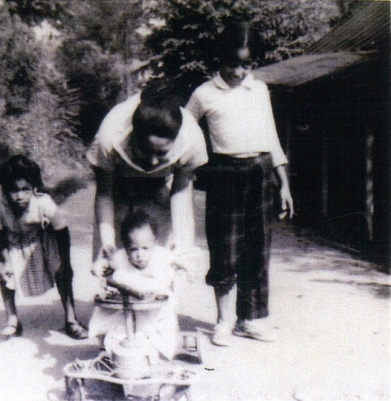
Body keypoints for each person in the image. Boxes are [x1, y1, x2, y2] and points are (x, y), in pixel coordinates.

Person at [185, 21, 294, 346]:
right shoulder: (204, 94)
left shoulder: (258, 89)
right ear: (220, 59)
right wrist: (188, 170)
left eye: (246, 65)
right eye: (233, 63)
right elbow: (185, 133)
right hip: (224, 175)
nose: (238, 71)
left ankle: (251, 320)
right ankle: (224, 320)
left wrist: (283, 182)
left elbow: (271, 136)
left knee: (258, 250)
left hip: (260, 173)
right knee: (225, 249)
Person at [87, 81, 209, 265]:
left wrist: (182, 245)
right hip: (119, 189)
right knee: (115, 266)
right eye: (145, 151)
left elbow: (181, 191)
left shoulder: (192, 140)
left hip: (160, 189)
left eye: (161, 153)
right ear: (134, 138)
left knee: (161, 262)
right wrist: (108, 243)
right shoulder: (110, 136)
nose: (153, 161)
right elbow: (104, 194)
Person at [0, 155, 88, 343]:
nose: (19, 196)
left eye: (25, 190)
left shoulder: (43, 201)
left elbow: (61, 230)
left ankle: (72, 320)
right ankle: (12, 321)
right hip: (13, 239)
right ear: (4, 189)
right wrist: (3, 258)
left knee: (62, 272)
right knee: (5, 274)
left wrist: (66, 262)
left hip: (41, 238)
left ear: (34, 188)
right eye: (13, 191)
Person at [88, 210, 181, 361]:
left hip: (153, 303)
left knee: (160, 327)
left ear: (155, 244)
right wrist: (98, 265)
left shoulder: (160, 255)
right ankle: (115, 350)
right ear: (125, 248)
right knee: (115, 324)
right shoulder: (120, 258)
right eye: (133, 249)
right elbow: (107, 264)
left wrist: (187, 267)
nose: (139, 255)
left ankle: (154, 353)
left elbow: (175, 261)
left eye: (146, 248)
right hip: (128, 303)